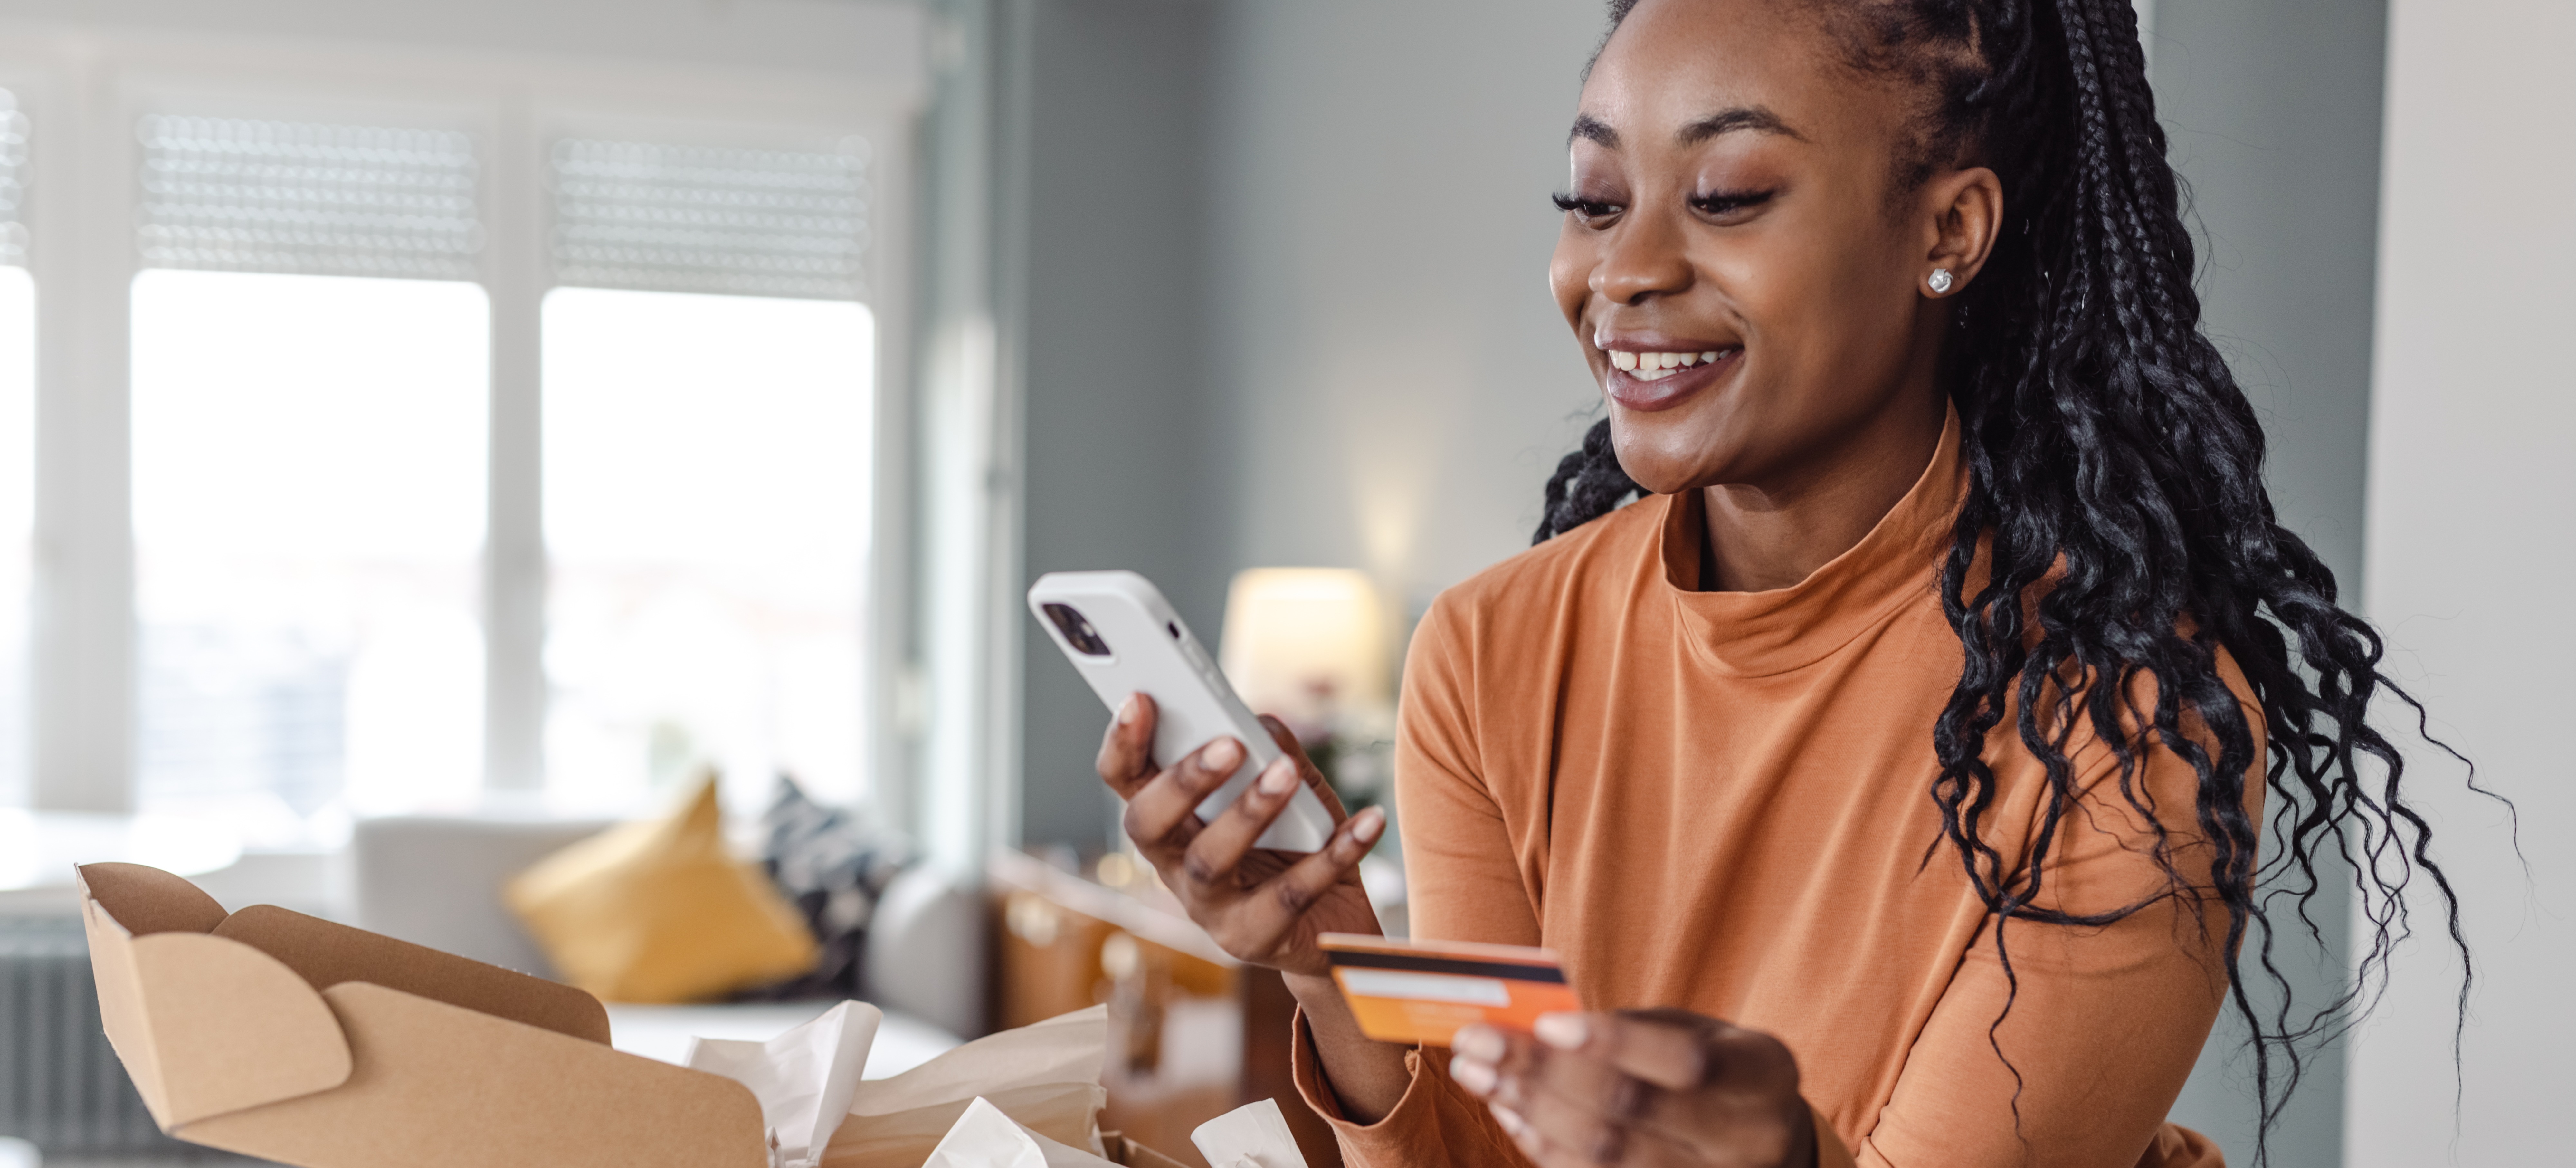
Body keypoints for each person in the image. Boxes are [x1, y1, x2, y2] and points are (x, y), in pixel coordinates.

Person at [1092, 1, 2467, 1165]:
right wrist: (1334, 951)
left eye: (1727, 196)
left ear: (1948, 228)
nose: (1621, 271)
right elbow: (1488, 1137)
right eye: (1591, 200)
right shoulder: (1492, 650)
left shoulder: (2119, 718)